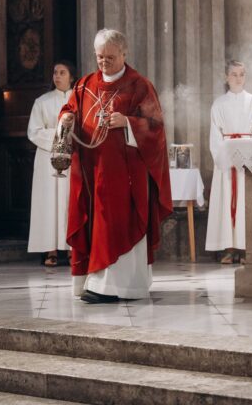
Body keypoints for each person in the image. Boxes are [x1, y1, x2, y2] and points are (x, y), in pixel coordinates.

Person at [59, 29, 172, 303]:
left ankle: (116, 287)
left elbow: (156, 128)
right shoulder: (84, 85)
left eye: (110, 57)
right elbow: (70, 109)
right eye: (99, 57)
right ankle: (92, 282)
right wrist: (65, 119)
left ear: (124, 54)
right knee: (93, 225)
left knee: (115, 225)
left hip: (125, 175)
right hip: (90, 171)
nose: (104, 63)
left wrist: (129, 123)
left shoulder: (139, 86)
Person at [206, 60, 252, 264]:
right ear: (226, 78)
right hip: (226, 159)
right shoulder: (219, 103)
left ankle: (245, 249)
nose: (238, 78)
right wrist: (226, 157)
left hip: (246, 159)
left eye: (242, 74)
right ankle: (228, 248)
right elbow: (215, 135)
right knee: (226, 202)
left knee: (244, 202)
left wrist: (247, 154)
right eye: (234, 74)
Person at [27, 60, 75, 267]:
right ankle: (51, 250)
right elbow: (34, 131)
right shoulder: (42, 101)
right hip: (47, 158)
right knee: (48, 204)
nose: (57, 76)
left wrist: (71, 137)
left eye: (62, 72)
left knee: (69, 201)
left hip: (73, 157)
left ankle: (74, 248)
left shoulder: (79, 100)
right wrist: (60, 134)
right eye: (55, 72)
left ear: (71, 76)